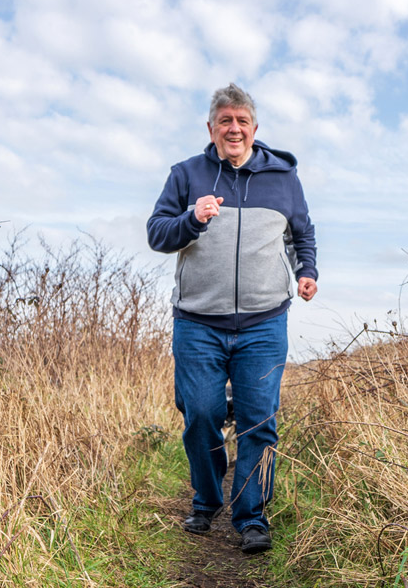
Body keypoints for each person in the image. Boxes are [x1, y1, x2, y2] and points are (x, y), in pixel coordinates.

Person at [146, 83, 318, 554]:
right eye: (225, 120)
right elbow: (157, 234)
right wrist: (191, 219)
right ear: (211, 128)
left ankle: (251, 516)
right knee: (200, 413)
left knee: (259, 420)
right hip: (198, 322)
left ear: (255, 128)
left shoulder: (283, 178)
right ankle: (207, 499)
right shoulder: (186, 175)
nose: (234, 128)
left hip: (264, 323)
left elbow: (302, 232)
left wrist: (307, 271)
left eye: (242, 120)